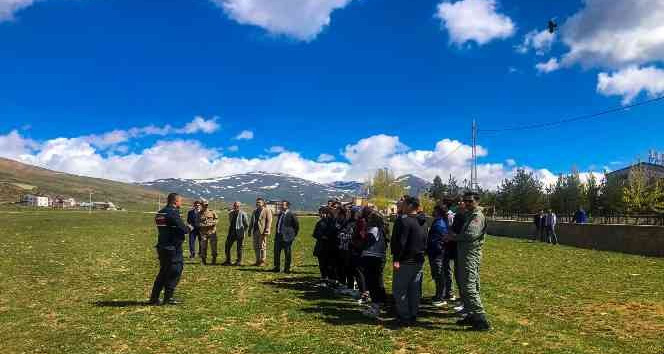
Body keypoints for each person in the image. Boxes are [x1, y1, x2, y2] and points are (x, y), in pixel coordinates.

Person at [444, 192, 491, 331]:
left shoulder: (477, 216)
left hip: (470, 256)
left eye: (470, 201)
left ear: (477, 201)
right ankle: (472, 314)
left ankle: (481, 319)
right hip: (465, 254)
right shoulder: (470, 215)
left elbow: (470, 234)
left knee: (469, 286)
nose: (467, 203)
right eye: (465, 201)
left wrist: (453, 237)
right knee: (467, 286)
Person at [391, 196, 427, 326]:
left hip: (405, 260)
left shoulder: (404, 221)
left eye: (404, 204)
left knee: (399, 289)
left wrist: (396, 259)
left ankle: (404, 315)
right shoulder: (423, 221)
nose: (402, 206)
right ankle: (413, 314)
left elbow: (401, 242)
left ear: (411, 206)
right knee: (414, 289)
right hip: (418, 260)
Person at [150, 193, 191, 305]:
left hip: (162, 245)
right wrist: (189, 227)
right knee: (175, 271)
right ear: (175, 201)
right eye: (180, 201)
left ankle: (154, 298)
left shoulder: (160, 213)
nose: (181, 203)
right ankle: (168, 297)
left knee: (163, 272)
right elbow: (183, 229)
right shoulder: (172, 213)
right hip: (172, 247)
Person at [360, 211, 389, 318]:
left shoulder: (374, 229)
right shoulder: (381, 229)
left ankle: (375, 305)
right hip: (378, 257)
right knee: (377, 281)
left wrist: (363, 238)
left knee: (372, 282)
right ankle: (380, 302)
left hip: (371, 257)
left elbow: (368, 241)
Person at [427, 204, 451, 307]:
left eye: (434, 210)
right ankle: (438, 294)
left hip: (437, 253)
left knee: (439, 275)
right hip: (435, 252)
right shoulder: (438, 222)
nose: (433, 211)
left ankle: (440, 297)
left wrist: (434, 249)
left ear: (438, 211)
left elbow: (440, 240)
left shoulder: (440, 224)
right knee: (436, 274)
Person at [272, 201, 300, 273]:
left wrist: (292, 236)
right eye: (280, 205)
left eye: (282, 205)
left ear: (287, 206)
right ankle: (277, 267)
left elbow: (296, 226)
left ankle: (287, 268)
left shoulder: (291, 214)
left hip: (287, 237)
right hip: (278, 236)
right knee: (276, 252)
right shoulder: (280, 214)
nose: (280, 206)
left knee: (287, 253)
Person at [223, 201, 249, 266]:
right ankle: (228, 260)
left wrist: (243, 231)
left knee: (239, 247)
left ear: (240, 206)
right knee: (227, 246)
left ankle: (239, 261)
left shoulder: (243, 214)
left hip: (240, 233)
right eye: (235, 206)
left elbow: (246, 224)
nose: (236, 207)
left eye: (237, 206)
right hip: (231, 233)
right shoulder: (231, 213)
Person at [250, 198, 273, 266]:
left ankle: (263, 261)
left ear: (263, 203)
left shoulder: (267, 210)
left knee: (262, 246)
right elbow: (252, 221)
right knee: (256, 246)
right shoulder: (255, 211)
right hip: (255, 231)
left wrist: (267, 230)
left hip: (262, 231)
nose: (257, 204)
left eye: (259, 202)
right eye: (257, 202)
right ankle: (257, 260)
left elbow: (269, 220)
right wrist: (249, 229)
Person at [312, 207, 332, 284]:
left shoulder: (331, 222)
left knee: (328, 263)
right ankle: (323, 277)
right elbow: (314, 233)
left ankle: (328, 278)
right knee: (321, 263)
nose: (319, 214)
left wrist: (326, 236)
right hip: (320, 245)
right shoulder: (319, 222)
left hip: (328, 246)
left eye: (321, 213)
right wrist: (320, 236)